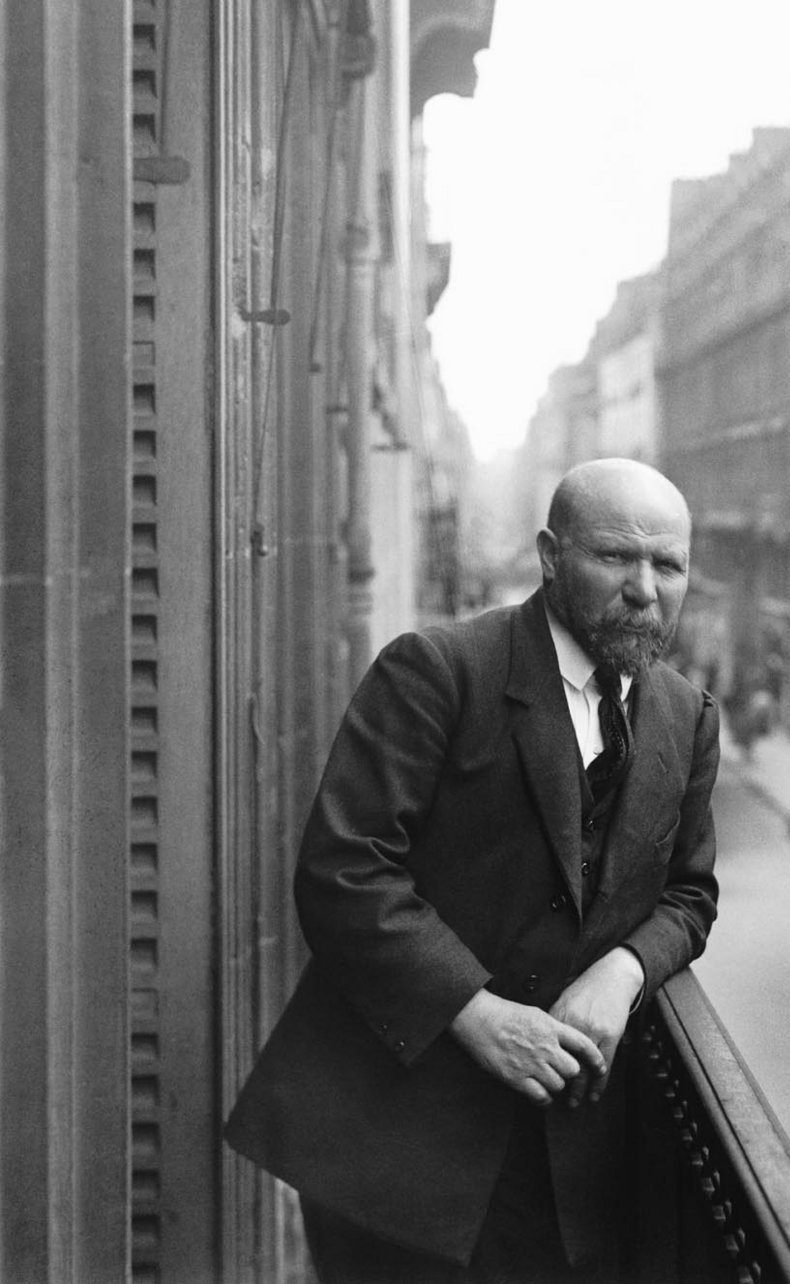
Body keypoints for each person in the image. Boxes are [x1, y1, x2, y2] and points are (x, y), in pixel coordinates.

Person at [224, 458, 720, 1283]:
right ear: (551, 555)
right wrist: (477, 1014)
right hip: (398, 1144)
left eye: (667, 565)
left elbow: (689, 894)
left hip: (566, 1167)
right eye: (614, 558)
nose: (644, 588)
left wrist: (625, 971)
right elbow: (345, 869)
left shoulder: (685, 715)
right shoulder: (438, 669)